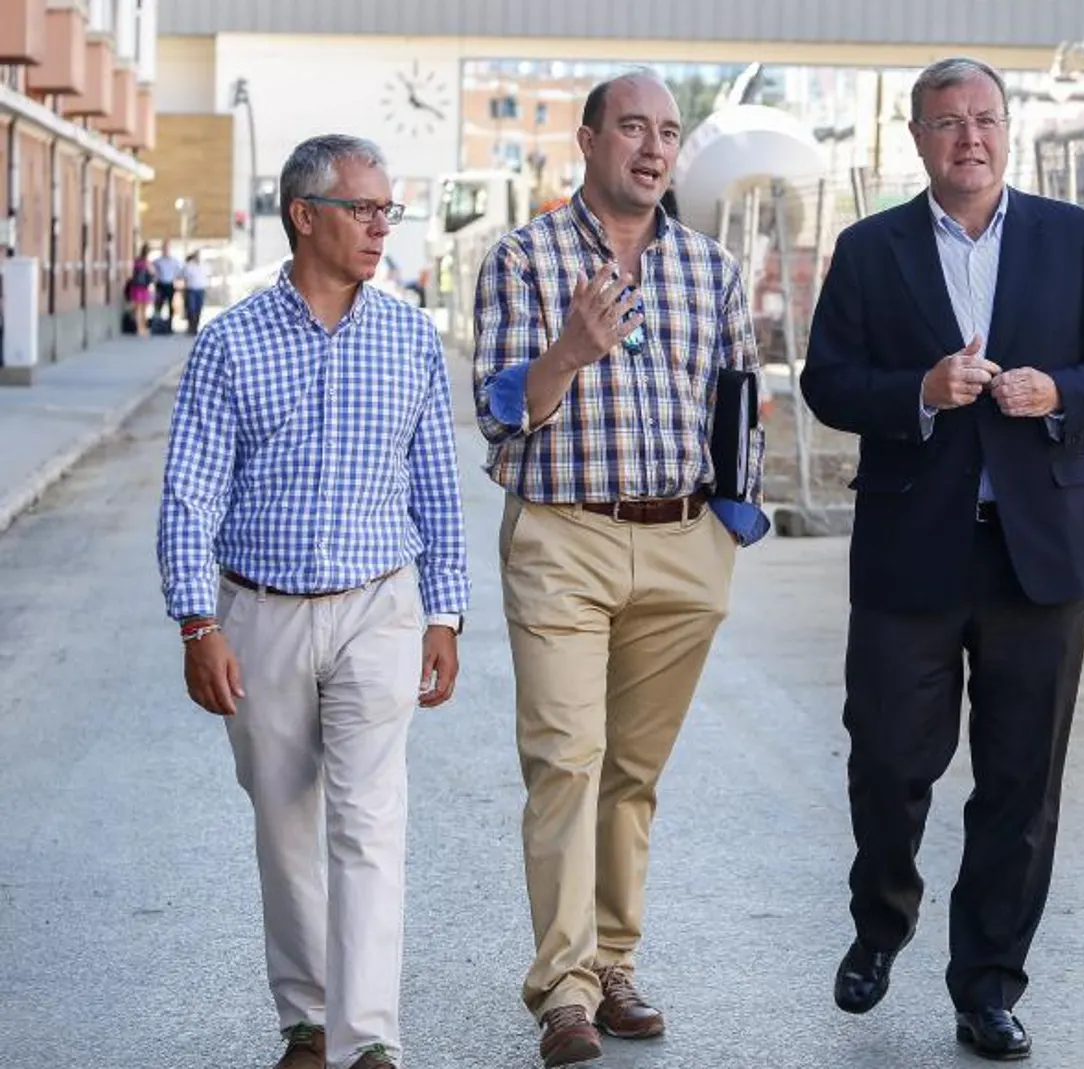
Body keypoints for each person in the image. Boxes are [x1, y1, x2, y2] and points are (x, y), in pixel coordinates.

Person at [800, 55, 1084, 1062]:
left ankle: (987, 984)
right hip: (912, 551)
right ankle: (883, 917)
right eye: (947, 121)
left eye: (985, 118)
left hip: (1036, 555)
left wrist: (1060, 394)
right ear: (915, 138)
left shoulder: (1069, 238)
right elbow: (827, 380)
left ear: (1009, 130)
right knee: (887, 760)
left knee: (1019, 783)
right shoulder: (870, 249)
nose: (968, 137)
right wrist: (920, 387)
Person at [469, 69, 767, 1069]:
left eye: (667, 132)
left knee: (633, 774)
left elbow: (738, 396)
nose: (652, 146)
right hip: (564, 535)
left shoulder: (709, 268)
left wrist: (729, 515)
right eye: (632, 127)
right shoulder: (523, 259)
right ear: (588, 139)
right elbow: (501, 411)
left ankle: (613, 963)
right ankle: (563, 989)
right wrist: (568, 350)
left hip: (683, 542)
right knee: (565, 760)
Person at [155, 133, 469, 1069]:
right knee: (285, 817)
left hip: (380, 603)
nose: (381, 228)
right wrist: (196, 621)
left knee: (370, 819)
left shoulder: (411, 337)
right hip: (261, 613)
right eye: (363, 210)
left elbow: (436, 491)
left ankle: (366, 1035)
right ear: (305, 215)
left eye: (388, 212)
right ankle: (307, 1019)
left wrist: (445, 614)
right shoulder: (229, 345)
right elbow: (191, 491)